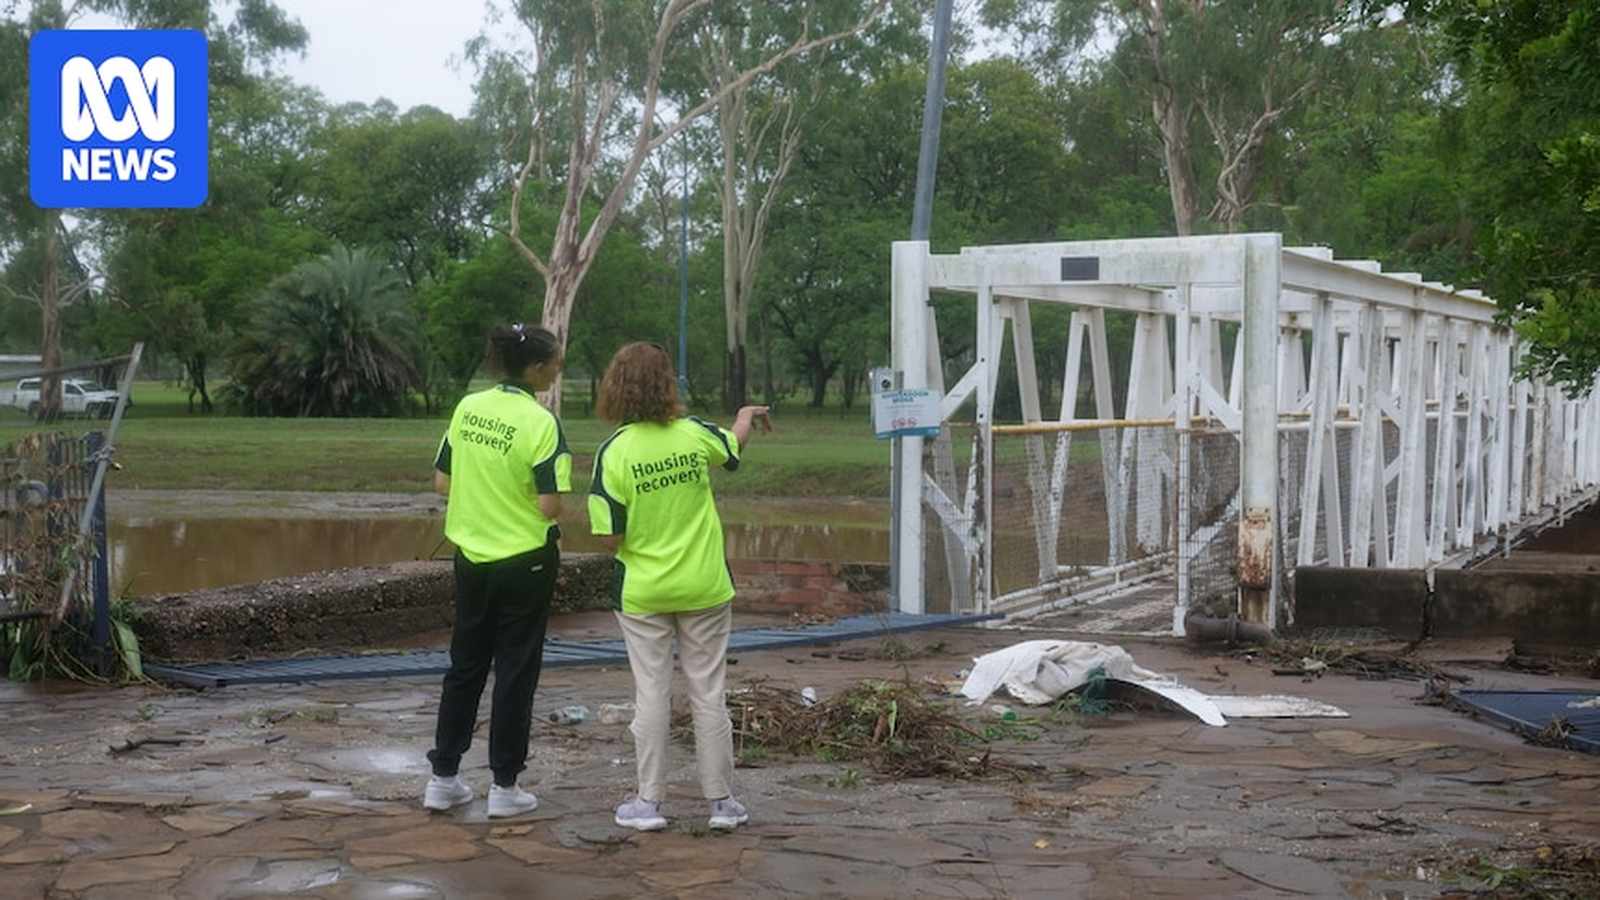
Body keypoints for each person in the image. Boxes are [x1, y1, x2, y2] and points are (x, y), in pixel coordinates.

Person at [586, 343, 771, 832]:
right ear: (669, 385)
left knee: (652, 693)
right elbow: (732, 449)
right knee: (708, 692)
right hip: (705, 587)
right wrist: (745, 416)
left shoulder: (614, 452)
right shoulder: (694, 436)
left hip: (643, 593)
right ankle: (722, 803)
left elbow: (608, 534)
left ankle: (648, 803)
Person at [422, 323, 570, 819]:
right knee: (515, 671)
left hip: (471, 559)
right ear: (534, 369)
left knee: (464, 666)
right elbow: (550, 505)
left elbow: (443, 483)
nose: (559, 369)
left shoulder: (468, 408)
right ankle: (505, 787)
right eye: (555, 362)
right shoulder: (541, 422)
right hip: (525, 561)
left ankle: (443, 777)